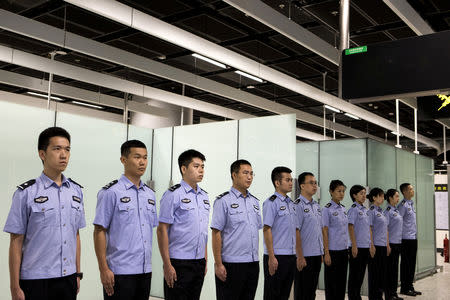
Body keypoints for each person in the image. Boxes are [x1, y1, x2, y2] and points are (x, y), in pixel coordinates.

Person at [4, 127, 85, 300]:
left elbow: (76, 235)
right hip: (36, 280)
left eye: (67, 149)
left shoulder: (76, 192)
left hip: (68, 278)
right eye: (57, 149)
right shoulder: (26, 193)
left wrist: (77, 273)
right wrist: (14, 286)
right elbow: (16, 241)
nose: (63, 155)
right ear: (42, 154)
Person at [93, 140, 157, 300]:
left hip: (144, 270)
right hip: (119, 272)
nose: (142, 162)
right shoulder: (111, 192)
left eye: (145, 157)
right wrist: (103, 269)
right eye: (137, 157)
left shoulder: (150, 194)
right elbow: (99, 231)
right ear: (123, 160)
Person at [157, 149, 209, 300]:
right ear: (184, 168)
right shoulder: (173, 194)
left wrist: (204, 258)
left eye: (202, 167)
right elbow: (162, 231)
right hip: (179, 262)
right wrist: (167, 264)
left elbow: (202, 230)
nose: (201, 170)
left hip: (198, 262)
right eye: (196, 166)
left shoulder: (204, 196)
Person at [211, 159, 262, 300]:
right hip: (231, 265)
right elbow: (216, 233)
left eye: (251, 173)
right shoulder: (223, 201)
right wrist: (218, 264)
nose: (249, 177)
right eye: (245, 173)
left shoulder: (255, 202)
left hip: (252, 264)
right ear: (234, 175)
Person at [262, 166, 298, 300]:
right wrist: (271, 257)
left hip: (290, 256)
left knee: (284, 294)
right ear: (277, 183)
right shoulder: (271, 203)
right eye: (287, 180)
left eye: (291, 180)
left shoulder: (291, 203)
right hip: (276, 257)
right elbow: (267, 229)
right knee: (273, 295)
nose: (290, 183)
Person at [294, 172, 323, 300]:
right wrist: (300, 256)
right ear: (302, 186)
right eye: (311, 183)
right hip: (304, 256)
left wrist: (321, 252)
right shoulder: (298, 205)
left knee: (312, 291)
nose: (314, 185)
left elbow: (318, 231)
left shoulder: (316, 206)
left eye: (315, 183)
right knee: (302, 291)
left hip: (316, 255)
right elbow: (296, 231)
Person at [322, 180, 348, 300]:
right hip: (332, 251)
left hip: (343, 251)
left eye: (343, 191)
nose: (341, 193)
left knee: (342, 282)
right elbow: (325, 231)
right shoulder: (327, 209)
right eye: (338, 191)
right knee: (332, 283)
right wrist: (326, 253)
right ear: (331, 192)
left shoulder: (343, 209)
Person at [347, 185, 375, 300]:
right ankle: (353, 297)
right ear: (354, 195)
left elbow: (369, 228)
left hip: (365, 247)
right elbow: (350, 227)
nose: (364, 196)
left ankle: (357, 296)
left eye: (364, 193)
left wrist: (371, 245)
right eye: (361, 193)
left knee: (361, 275)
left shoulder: (365, 210)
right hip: (357, 247)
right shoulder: (353, 209)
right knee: (354, 276)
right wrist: (353, 245)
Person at [398, 183, 422, 296]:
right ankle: (404, 288)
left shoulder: (411, 204)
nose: (413, 191)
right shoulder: (402, 205)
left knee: (412, 264)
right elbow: (398, 222)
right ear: (405, 192)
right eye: (411, 189)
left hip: (413, 238)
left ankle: (410, 286)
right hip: (405, 239)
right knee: (406, 264)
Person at [367, 188, 389, 300]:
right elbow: (369, 228)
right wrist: (371, 245)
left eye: (383, 196)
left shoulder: (381, 211)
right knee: (374, 274)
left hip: (383, 246)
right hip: (375, 246)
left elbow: (385, 229)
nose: (383, 198)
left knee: (382, 274)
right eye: (380, 196)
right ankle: (374, 297)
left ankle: (379, 296)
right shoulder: (371, 211)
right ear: (374, 197)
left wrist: (387, 245)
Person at [384, 189, 404, 300]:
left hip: (397, 243)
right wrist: (387, 245)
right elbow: (385, 228)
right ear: (390, 198)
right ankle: (389, 294)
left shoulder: (395, 210)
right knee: (390, 270)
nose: (398, 198)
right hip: (391, 244)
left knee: (395, 269)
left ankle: (394, 293)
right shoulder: (388, 211)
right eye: (396, 196)